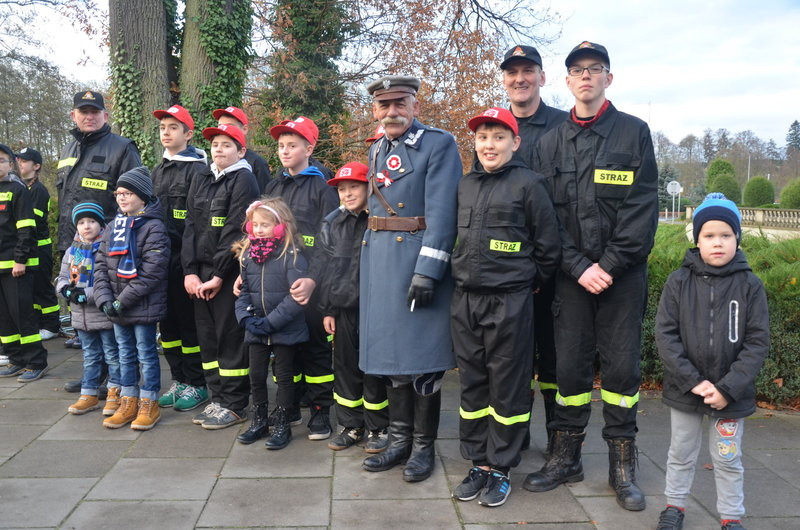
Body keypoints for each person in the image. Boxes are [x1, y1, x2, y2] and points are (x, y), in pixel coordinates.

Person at [522, 42, 659, 512]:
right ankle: (565, 457)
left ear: (608, 78)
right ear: (566, 81)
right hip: (571, 278)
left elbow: (642, 210)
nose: (586, 77)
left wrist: (609, 265)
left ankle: (623, 465)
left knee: (622, 372)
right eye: (577, 71)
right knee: (568, 371)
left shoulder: (633, 133)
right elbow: (544, 221)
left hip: (621, 277)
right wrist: (580, 267)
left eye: (594, 70)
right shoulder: (548, 144)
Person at [450, 108, 561, 507]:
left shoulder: (529, 185)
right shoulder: (464, 185)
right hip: (465, 300)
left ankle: (501, 467)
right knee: (474, 383)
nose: (489, 145)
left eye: (498, 137)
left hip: (510, 301)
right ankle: (478, 462)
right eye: (482, 137)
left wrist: (526, 284)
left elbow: (548, 248)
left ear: (515, 142)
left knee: (509, 387)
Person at [359, 76, 461, 483]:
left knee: (421, 362)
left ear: (415, 106)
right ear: (374, 111)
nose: (391, 112)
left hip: (414, 262)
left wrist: (428, 269)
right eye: (383, 106)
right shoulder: (376, 148)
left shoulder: (438, 144)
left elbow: (443, 215)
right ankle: (399, 441)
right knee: (392, 361)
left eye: (399, 103)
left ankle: (423, 448)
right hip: (380, 262)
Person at [655, 193, 769, 530]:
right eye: (709, 235)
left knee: (728, 457)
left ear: (738, 238)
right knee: (681, 453)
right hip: (685, 389)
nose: (717, 243)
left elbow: (757, 342)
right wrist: (692, 381)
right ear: (696, 239)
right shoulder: (678, 282)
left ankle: (731, 517)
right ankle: (674, 506)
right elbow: (666, 335)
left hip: (730, 395)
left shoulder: (750, 285)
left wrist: (728, 388)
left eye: (726, 235)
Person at [501, 45, 568, 450]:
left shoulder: (564, 127)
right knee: (514, 361)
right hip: (510, 273)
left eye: (528, 71)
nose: (520, 78)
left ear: (543, 77)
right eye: (512, 72)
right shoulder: (495, 129)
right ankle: (517, 436)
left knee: (557, 359)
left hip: (557, 269)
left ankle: (561, 443)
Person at [57, 90, 140, 387]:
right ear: (74, 115)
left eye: (95, 111)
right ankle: (95, 373)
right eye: (83, 111)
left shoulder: (122, 148)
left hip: (108, 245)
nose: (89, 116)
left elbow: (135, 198)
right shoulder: (68, 149)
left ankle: (121, 377)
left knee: (107, 310)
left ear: (106, 115)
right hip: (74, 243)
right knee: (81, 309)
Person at [264, 116, 339, 441]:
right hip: (278, 286)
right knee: (283, 349)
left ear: (309, 148)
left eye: (291, 145)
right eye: (281, 146)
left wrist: (312, 279)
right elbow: (259, 235)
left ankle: (320, 412)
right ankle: (288, 405)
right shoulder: (273, 185)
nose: (284, 151)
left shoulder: (323, 186)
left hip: (312, 286)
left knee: (315, 348)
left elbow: (330, 242)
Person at [182, 123, 259, 429]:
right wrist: (189, 272)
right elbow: (190, 226)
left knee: (229, 338)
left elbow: (236, 230)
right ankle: (217, 398)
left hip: (225, 276)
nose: (219, 149)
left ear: (241, 151)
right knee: (208, 339)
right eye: (215, 144)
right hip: (198, 275)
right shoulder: (202, 177)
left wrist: (217, 275)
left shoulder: (244, 179)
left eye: (227, 144)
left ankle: (235, 403)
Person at [318, 162, 389, 453]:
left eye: (353, 187)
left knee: (373, 370)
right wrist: (328, 309)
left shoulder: (379, 220)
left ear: (369, 187)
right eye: (342, 189)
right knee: (345, 367)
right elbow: (327, 269)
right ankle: (351, 424)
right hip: (344, 309)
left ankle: (378, 427)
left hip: (374, 309)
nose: (347, 194)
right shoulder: (334, 223)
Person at [94, 167, 169, 430]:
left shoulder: (154, 227)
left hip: (141, 305)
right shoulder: (113, 226)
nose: (122, 198)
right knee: (124, 354)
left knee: (146, 355)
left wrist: (122, 300)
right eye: (119, 193)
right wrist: (104, 299)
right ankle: (129, 401)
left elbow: (153, 271)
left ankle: (150, 404)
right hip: (115, 306)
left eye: (129, 193)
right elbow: (100, 266)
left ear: (143, 196)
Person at [234, 198, 308, 449]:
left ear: (279, 226)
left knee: (284, 378)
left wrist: (270, 323)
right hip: (256, 329)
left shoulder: (291, 254)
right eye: (255, 224)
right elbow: (243, 292)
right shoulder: (248, 255)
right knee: (256, 376)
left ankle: (283, 423)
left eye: (265, 224)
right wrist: (246, 319)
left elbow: (295, 298)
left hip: (284, 329)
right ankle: (259, 420)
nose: (259, 229)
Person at [151, 104, 209, 412]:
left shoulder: (197, 169)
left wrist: (191, 266)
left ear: (188, 134)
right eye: (162, 128)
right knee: (168, 326)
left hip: (183, 261)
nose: (166, 132)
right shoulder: (158, 169)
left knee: (189, 326)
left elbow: (196, 223)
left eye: (173, 127)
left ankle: (197, 382)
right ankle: (179, 378)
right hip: (159, 262)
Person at [56, 202, 121, 416]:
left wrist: (88, 294)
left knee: (112, 355)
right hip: (80, 318)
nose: (86, 226)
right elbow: (63, 278)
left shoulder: (107, 248)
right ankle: (89, 393)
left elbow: (111, 282)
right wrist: (66, 290)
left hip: (102, 315)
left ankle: (115, 393)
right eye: (81, 222)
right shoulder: (72, 252)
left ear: (100, 224)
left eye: (92, 221)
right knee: (90, 356)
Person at [0, 144, 49, 382]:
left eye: (1, 160)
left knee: (22, 315)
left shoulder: (18, 189)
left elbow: (26, 228)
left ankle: (35, 362)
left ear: (10, 164)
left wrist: (20, 260)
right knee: (4, 317)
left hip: (14, 266)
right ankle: (15, 359)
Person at [17, 147, 61, 340]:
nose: (20, 163)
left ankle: (51, 325)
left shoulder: (38, 190)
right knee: (32, 288)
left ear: (36, 166)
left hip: (39, 247)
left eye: (24, 161)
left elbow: (30, 222)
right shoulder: (23, 188)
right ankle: (38, 322)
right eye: (18, 160)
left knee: (43, 286)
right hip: (29, 247)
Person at [212, 106, 272, 190]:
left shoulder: (257, 163)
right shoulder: (213, 164)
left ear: (244, 129)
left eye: (230, 126)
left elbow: (264, 197)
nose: (224, 130)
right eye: (220, 126)